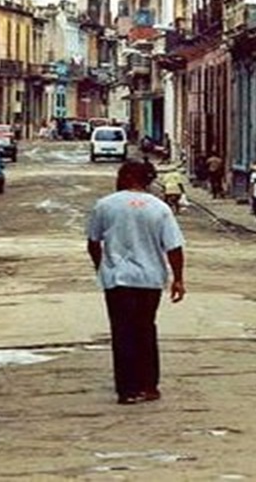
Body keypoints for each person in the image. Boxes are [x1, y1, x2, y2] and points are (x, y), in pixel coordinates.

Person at [87, 160, 186, 405]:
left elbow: (93, 242)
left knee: (122, 332)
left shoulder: (105, 205)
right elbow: (174, 247)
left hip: (117, 279)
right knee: (145, 329)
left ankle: (127, 389)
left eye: (120, 175)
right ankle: (148, 385)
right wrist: (178, 279)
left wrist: (102, 267)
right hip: (150, 279)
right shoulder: (160, 208)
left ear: (129, 177)